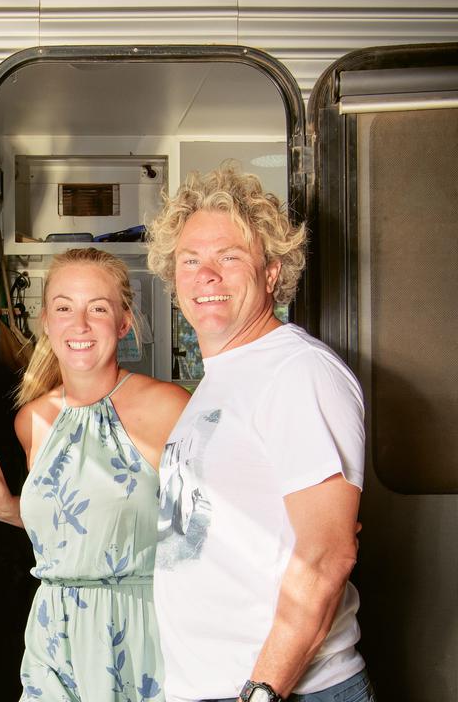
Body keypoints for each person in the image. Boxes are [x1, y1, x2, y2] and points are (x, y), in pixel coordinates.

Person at [145, 163, 373, 702]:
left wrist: (263, 691)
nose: (207, 276)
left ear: (271, 272)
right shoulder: (221, 380)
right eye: (190, 260)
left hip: (286, 689)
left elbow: (327, 556)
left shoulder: (297, 372)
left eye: (229, 257)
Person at [0, 247, 189, 702]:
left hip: (141, 630)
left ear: (124, 322)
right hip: (55, 631)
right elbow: (77, 527)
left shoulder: (168, 408)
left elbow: (201, 531)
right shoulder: (31, 420)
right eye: (65, 308)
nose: (81, 324)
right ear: (46, 323)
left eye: (98, 308)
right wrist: (12, 510)